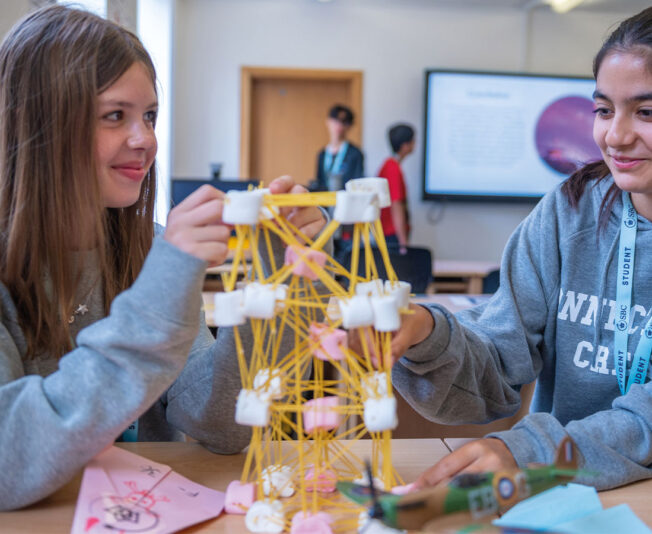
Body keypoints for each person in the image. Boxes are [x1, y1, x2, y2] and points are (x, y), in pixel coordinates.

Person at [0, 6, 326, 511]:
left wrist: (275, 286)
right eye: (116, 116)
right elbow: (8, 464)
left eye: (149, 115)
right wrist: (162, 291)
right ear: (41, 125)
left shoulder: (148, 248)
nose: (145, 140)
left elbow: (215, 422)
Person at [388, 7, 652, 492]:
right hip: (560, 495)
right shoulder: (568, 212)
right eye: (603, 109)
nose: (615, 136)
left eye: (647, 112)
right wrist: (427, 334)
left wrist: (526, 451)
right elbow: (496, 369)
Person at [378, 124, 415, 254]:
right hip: (392, 234)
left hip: (388, 233)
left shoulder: (389, 165)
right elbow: (396, 205)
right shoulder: (392, 168)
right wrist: (403, 243)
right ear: (405, 145)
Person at [313, 104, 364, 193]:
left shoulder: (355, 153)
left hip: (347, 202)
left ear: (349, 126)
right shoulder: (322, 154)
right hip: (326, 203)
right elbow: (320, 182)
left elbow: (358, 182)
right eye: (336, 120)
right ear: (328, 122)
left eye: (344, 122)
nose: (339, 125)